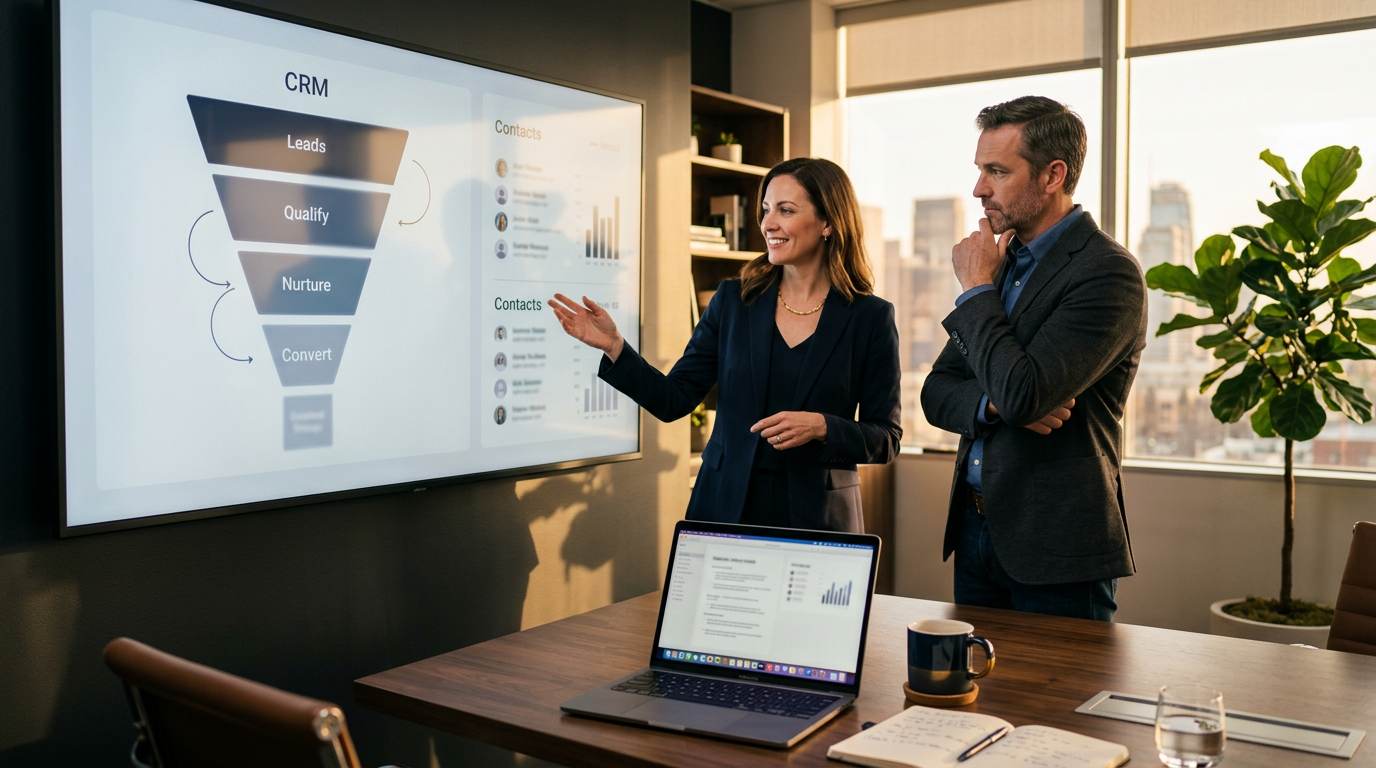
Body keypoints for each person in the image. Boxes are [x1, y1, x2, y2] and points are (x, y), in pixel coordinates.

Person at [550, 157, 901, 532]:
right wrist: (616, 347)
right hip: (725, 508)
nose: (768, 224)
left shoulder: (870, 317)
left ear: (828, 222)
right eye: (766, 210)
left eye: (786, 210)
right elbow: (674, 399)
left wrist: (823, 426)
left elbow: (886, 438)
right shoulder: (734, 301)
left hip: (819, 518)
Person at [919, 96, 1147, 621]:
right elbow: (937, 392)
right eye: (980, 170)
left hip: (1057, 550)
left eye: (997, 171)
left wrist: (976, 288)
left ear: (1053, 175)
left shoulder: (1107, 274)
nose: (979, 188)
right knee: (973, 698)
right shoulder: (1001, 263)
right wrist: (995, 407)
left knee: (1060, 704)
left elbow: (1023, 391)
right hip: (976, 533)